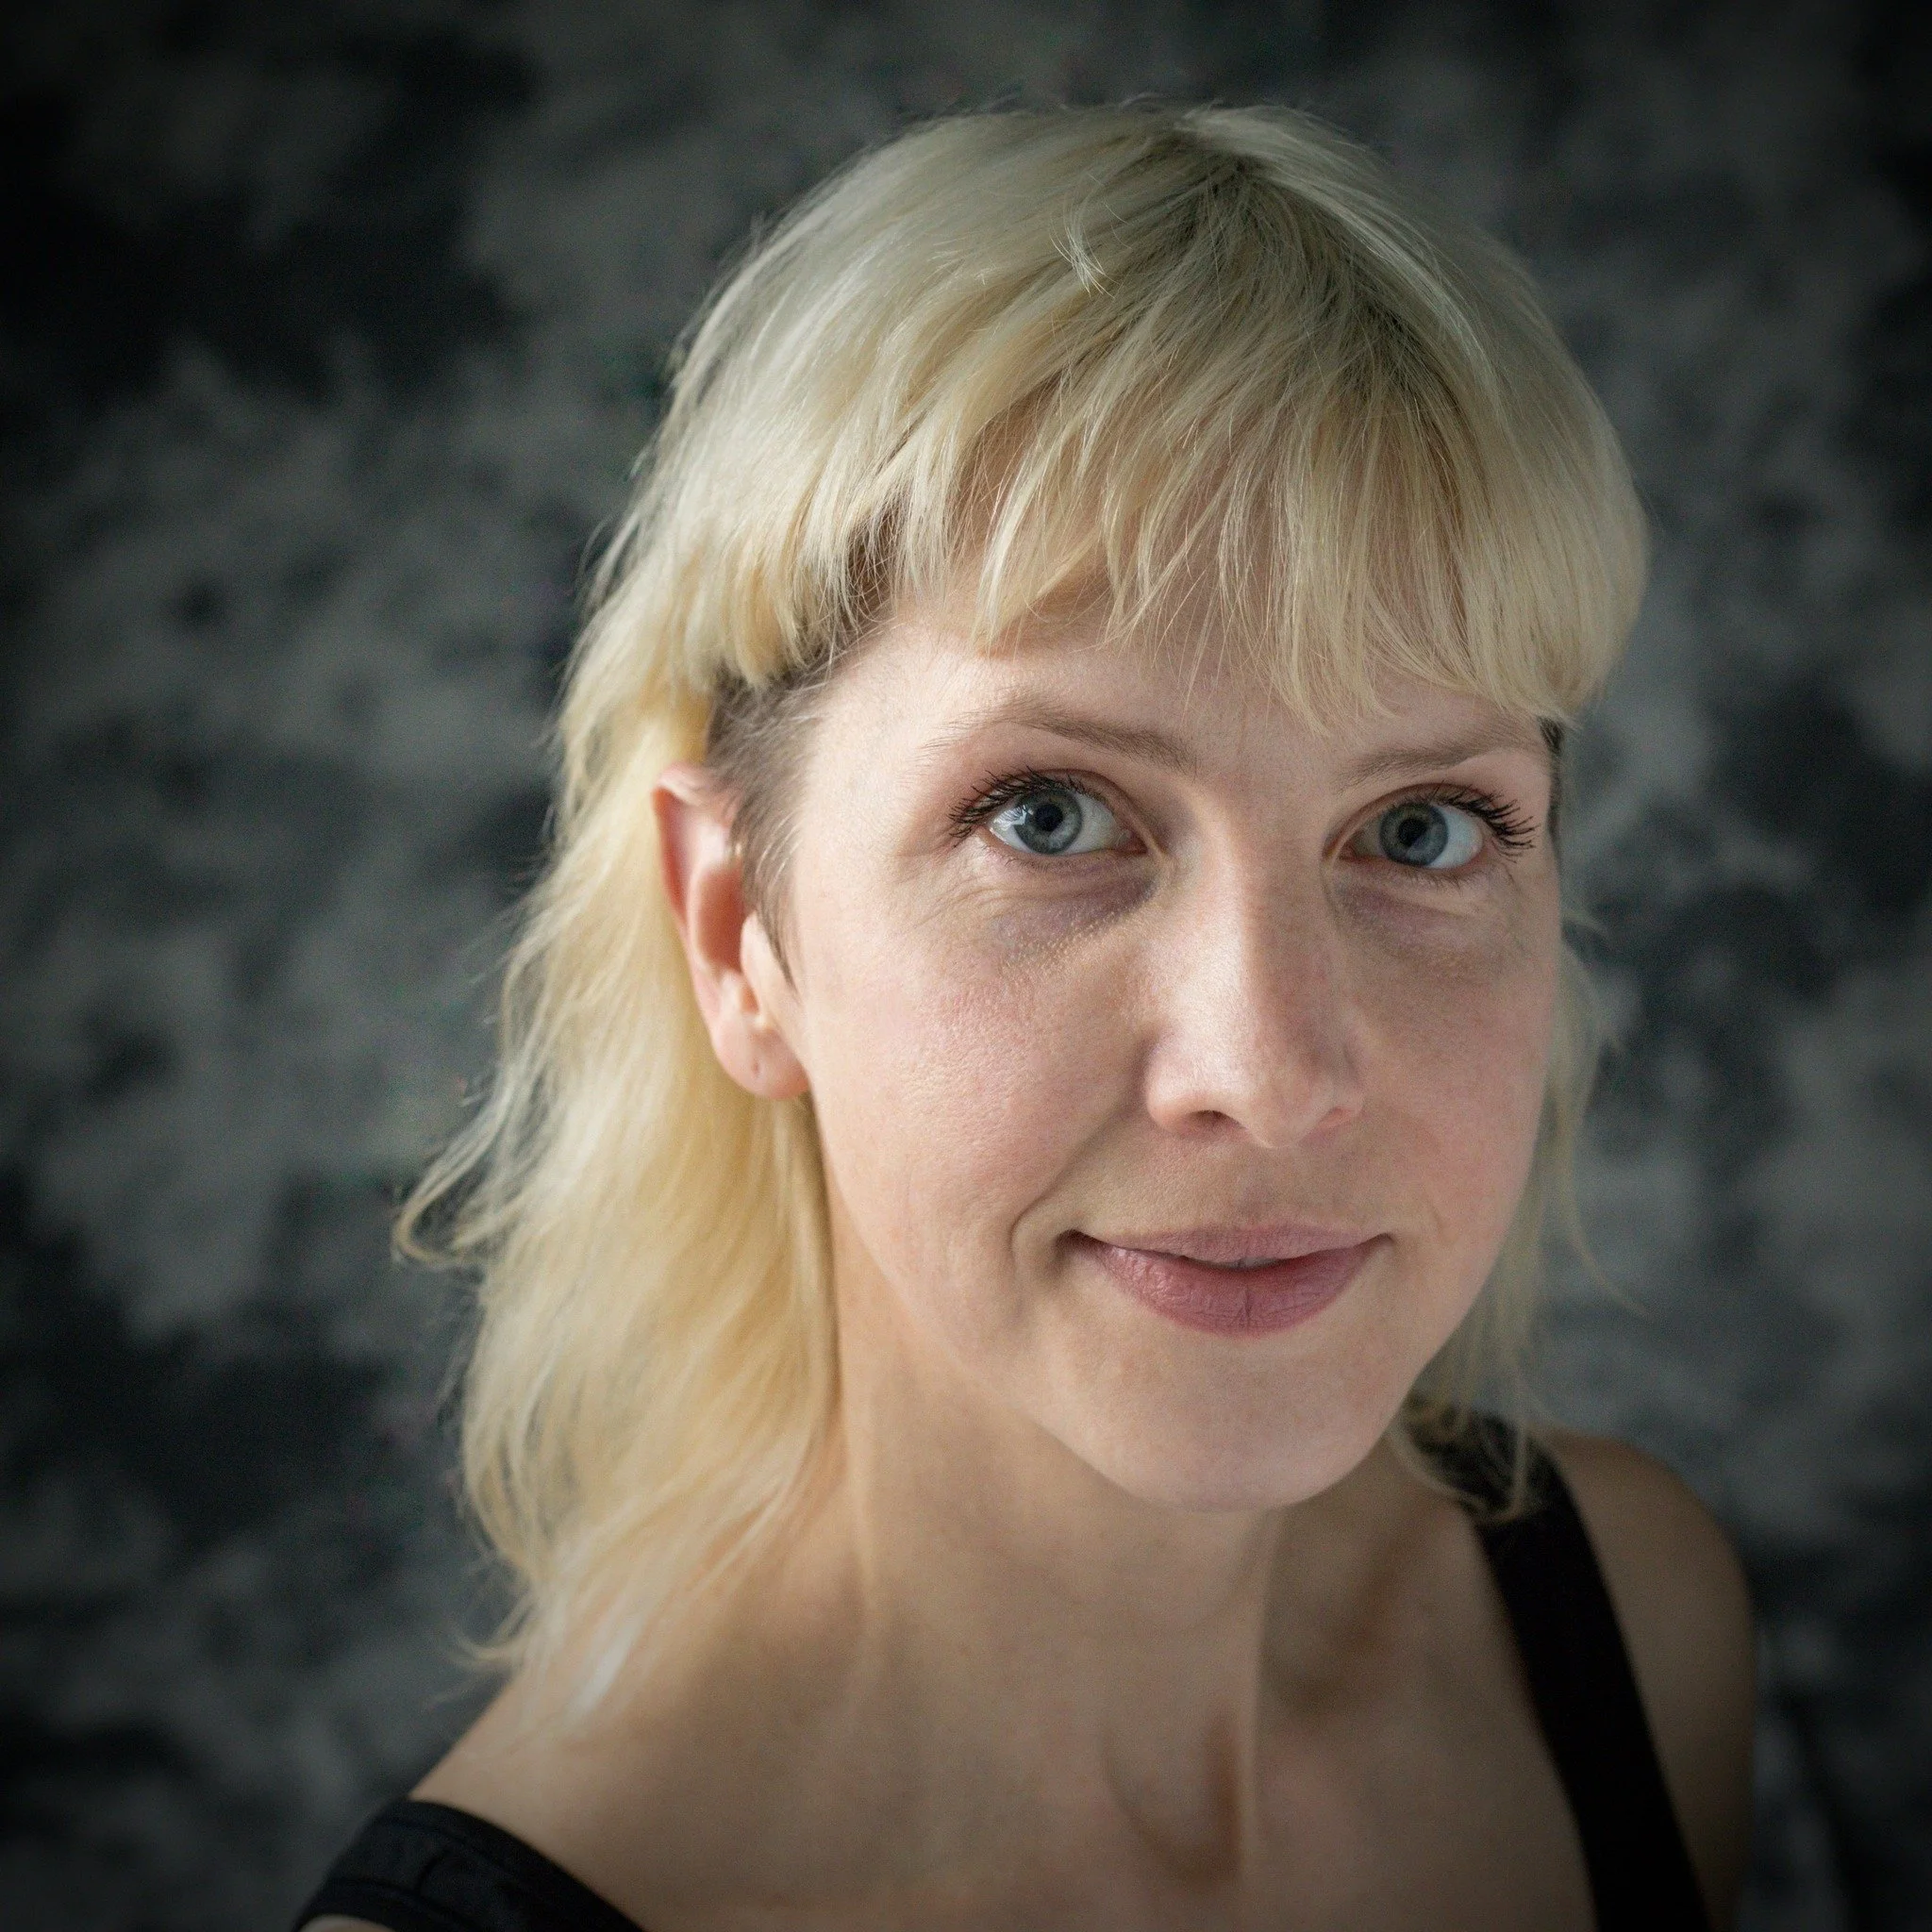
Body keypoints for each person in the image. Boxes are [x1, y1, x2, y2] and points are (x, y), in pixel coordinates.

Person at [297, 102, 1756, 1932]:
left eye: (1420, 830)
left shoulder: (1636, 1629)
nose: (1271, 1072)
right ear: (740, 932)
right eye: (1049, 817)